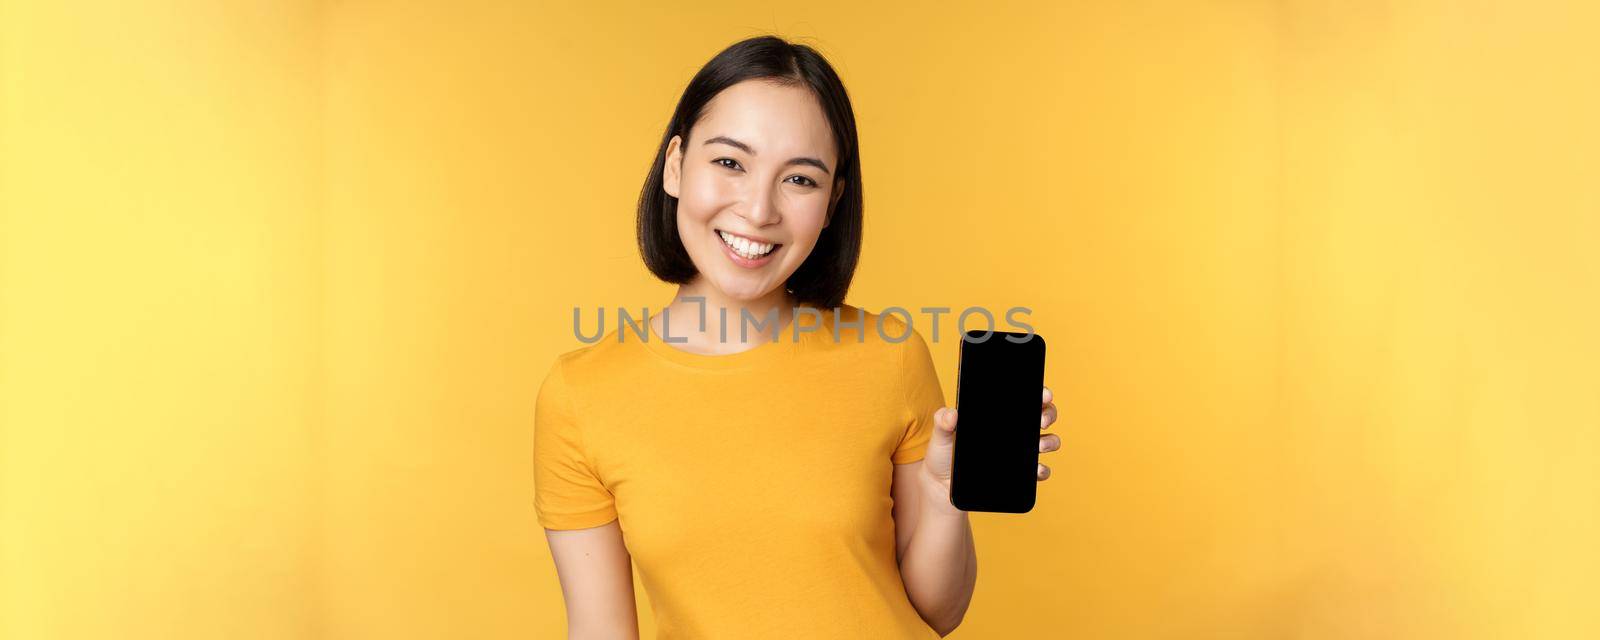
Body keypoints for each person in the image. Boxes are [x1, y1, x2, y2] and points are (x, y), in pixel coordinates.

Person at [534, 35, 1063, 639]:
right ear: (677, 165)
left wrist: (947, 493)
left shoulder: (889, 355)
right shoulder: (582, 395)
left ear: (833, 200)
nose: (759, 210)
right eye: (730, 162)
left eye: (801, 180)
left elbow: (937, 614)